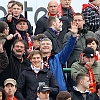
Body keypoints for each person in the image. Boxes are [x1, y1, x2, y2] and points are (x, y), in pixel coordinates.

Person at [40, 20, 78, 91]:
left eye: (47, 44)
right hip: (43, 93)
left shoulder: (57, 58)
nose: (45, 46)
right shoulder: (36, 60)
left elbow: (68, 49)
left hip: (59, 92)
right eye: (43, 44)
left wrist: (73, 36)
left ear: (51, 47)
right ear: (40, 47)